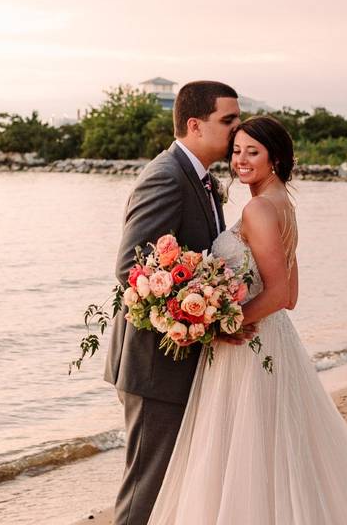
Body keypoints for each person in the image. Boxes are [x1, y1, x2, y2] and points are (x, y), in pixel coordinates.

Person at [148, 115, 347, 524]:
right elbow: (291, 296)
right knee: (274, 452)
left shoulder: (260, 208)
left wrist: (225, 324)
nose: (240, 160)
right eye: (236, 150)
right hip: (274, 340)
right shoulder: (282, 203)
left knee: (248, 454)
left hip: (250, 345)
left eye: (252, 152)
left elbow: (279, 294)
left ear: (274, 157)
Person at [104, 80, 253, 525]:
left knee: (174, 486)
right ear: (194, 124)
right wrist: (206, 310)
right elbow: (133, 266)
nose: (236, 130)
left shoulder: (201, 179)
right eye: (228, 121)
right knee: (146, 491)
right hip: (154, 366)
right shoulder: (166, 176)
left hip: (180, 360)